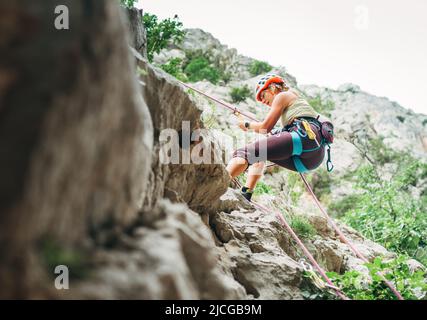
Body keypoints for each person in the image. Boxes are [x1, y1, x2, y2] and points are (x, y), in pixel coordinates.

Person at [226, 74, 334, 201]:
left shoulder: (283, 95)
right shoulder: (296, 104)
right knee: (259, 153)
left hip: (303, 138)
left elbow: (266, 126)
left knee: (243, 152)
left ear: (272, 88)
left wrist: (246, 124)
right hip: (311, 160)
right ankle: (246, 195)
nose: (263, 101)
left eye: (263, 95)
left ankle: (217, 183)